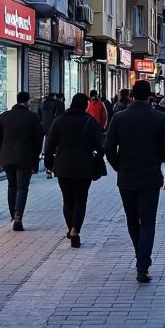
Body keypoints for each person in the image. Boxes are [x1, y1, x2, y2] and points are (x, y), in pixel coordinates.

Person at [104, 80, 165, 283]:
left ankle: (140, 256)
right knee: (148, 220)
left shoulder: (119, 118)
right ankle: (143, 262)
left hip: (127, 176)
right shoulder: (159, 118)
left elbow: (108, 147)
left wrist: (118, 166)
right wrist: (157, 159)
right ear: (149, 96)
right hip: (150, 175)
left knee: (132, 219)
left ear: (132, 96)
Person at [44, 93, 104, 247]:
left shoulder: (59, 121)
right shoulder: (89, 121)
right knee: (81, 199)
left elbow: (49, 145)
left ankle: (70, 226)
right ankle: (75, 229)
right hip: (84, 165)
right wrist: (97, 159)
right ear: (85, 105)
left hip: (63, 164)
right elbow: (100, 145)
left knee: (67, 199)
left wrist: (49, 164)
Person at [0, 91, 44, 231]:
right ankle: (18, 216)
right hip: (25, 158)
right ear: (27, 101)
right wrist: (35, 157)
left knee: (12, 185)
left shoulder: (4, 116)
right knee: (22, 187)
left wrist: (2, 153)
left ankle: (12, 213)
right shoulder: (32, 117)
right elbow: (38, 140)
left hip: (7, 157)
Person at [39, 92, 66, 178]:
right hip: (56, 129)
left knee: (48, 149)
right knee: (58, 149)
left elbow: (40, 117)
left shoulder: (42, 104)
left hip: (46, 130)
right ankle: (57, 169)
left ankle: (48, 170)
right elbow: (61, 117)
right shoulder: (59, 104)